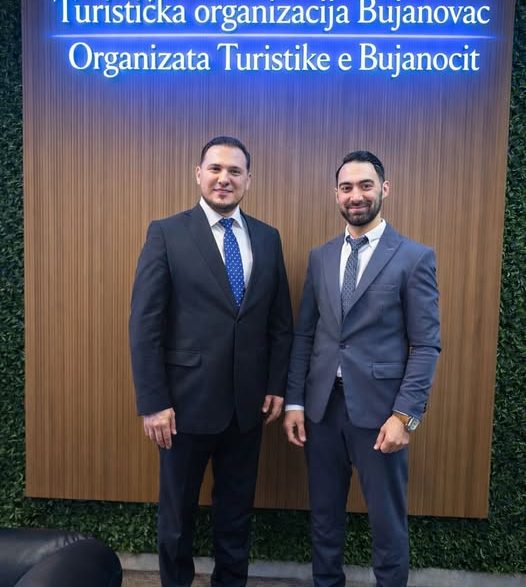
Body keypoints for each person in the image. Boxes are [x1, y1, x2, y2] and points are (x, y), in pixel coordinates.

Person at [129, 136, 293, 587]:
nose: (224, 178)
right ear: (198, 174)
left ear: (248, 180)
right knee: (177, 515)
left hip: (248, 407)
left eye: (235, 171)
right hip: (182, 406)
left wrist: (276, 385)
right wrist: (153, 402)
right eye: (216, 169)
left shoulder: (268, 238)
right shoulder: (167, 233)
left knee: (236, 512)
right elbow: (145, 323)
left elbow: (280, 323)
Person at [284, 151, 441, 587]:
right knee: (324, 517)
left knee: (387, 522)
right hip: (322, 411)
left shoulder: (414, 258)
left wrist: (404, 416)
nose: (356, 195)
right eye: (347, 187)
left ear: (384, 189)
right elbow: (305, 335)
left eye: (366, 185)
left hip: (381, 414)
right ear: (336, 194)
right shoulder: (320, 257)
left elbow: (426, 344)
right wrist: (295, 402)